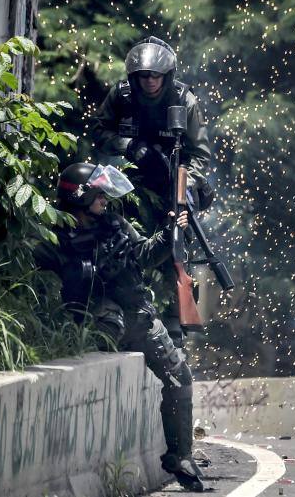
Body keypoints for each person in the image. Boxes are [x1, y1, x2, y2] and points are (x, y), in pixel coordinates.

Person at [33, 162, 205, 492]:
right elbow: (44, 285)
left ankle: (180, 455)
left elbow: (142, 254)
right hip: (99, 322)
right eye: (98, 195)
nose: (105, 201)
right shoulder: (56, 236)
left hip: (139, 318)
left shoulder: (115, 225)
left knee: (180, 377)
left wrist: (168, 235)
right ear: (80, 197)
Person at [91, 36, 212, 347]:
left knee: (175, 251)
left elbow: (200, 155)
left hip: (172, 186)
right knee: (118, 247)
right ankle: (110, 315)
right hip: (125, 185)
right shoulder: (121, 95)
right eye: (144, 76)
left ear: (166, 75)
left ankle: (175, 328)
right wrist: (129, 146)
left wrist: (184, 185)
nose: (149, 82)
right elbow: (97, 131)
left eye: (155, 76)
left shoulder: (184, 100)